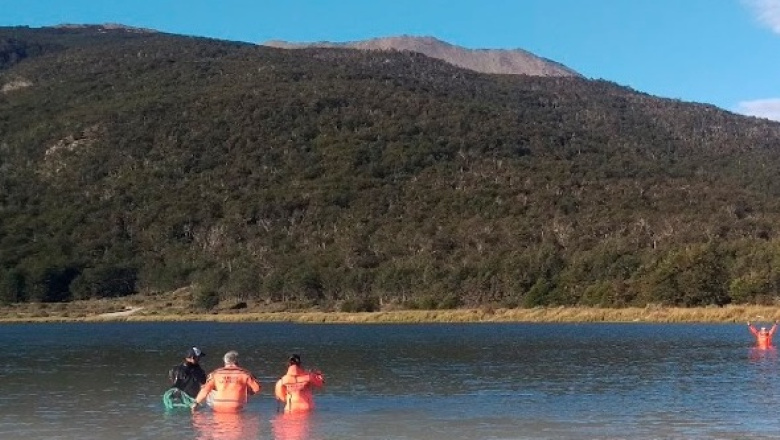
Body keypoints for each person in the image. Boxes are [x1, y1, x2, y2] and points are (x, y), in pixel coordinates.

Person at [192, 350, 261, 413]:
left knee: (210, 388)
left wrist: (196, 403)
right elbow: (257, 388)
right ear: (237, 361)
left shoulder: (215, 373)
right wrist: (247, 391)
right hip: (236, 405)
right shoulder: (245, 374)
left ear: (225, 361)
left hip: (218, 406)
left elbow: (205, 390)